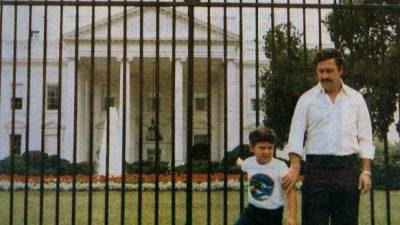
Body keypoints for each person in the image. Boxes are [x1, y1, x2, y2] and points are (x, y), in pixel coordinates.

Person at [283, 48, 375, 225]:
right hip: (316, 171)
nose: (324, 75)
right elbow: (295, 135)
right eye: (321, 71)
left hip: (347, 171)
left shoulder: (356, 99)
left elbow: (365, 138)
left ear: (341, 70)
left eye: (329, 71)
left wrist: (366, 171)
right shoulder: (306, 100)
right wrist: (295, 167)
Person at [234, 125, 297, 225]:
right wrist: (239, 162)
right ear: (252, 148)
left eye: (270, 148)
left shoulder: (280, 167)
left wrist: (292, 218)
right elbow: (242, 164)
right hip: (252, 211)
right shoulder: (249, 163)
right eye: (262, 148)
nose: (266, 151)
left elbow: (290, 193)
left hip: (273, 215)